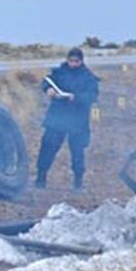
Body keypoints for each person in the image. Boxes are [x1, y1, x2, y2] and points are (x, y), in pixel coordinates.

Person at [35, 48, 100, 189]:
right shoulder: (59, 72)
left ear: (81, 61)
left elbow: (92, 96)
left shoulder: (88, 77)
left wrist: (76, 97)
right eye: (71, 60)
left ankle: (78, 182)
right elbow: (46, 82)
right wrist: (48, 90)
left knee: (77, 151)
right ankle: (41, 178)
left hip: (78, 121)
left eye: (76, 61)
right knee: (48, 147)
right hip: (57, 117)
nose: (73, 63)